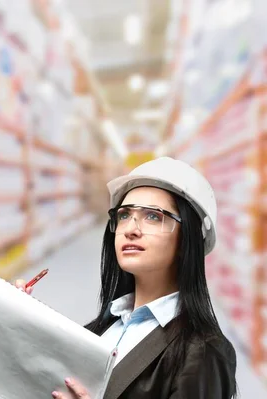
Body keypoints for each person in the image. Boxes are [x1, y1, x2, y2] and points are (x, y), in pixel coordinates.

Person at [16, 157, 237, 399]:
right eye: (124, 215)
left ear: (187, 240)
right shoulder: (100, 330)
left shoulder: (204, 351)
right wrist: (20, 326)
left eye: (153, 216)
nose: (130, 229)